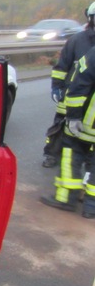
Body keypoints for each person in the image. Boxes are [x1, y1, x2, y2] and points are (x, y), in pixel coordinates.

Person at [40, 44, 95, 218]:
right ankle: (91, 207)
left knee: (71, 154)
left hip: (86, 122)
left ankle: (66, 199)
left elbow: (79, 83)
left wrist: (73, 116)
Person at [42, 2, 95, 167]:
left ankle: (85, 160)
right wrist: (57, 86)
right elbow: (62, 66)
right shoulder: (78, 40)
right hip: (71, 94)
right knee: (60, 127)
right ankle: (51, 154)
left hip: (91, 101)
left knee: (86, 133)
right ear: (91, 18)